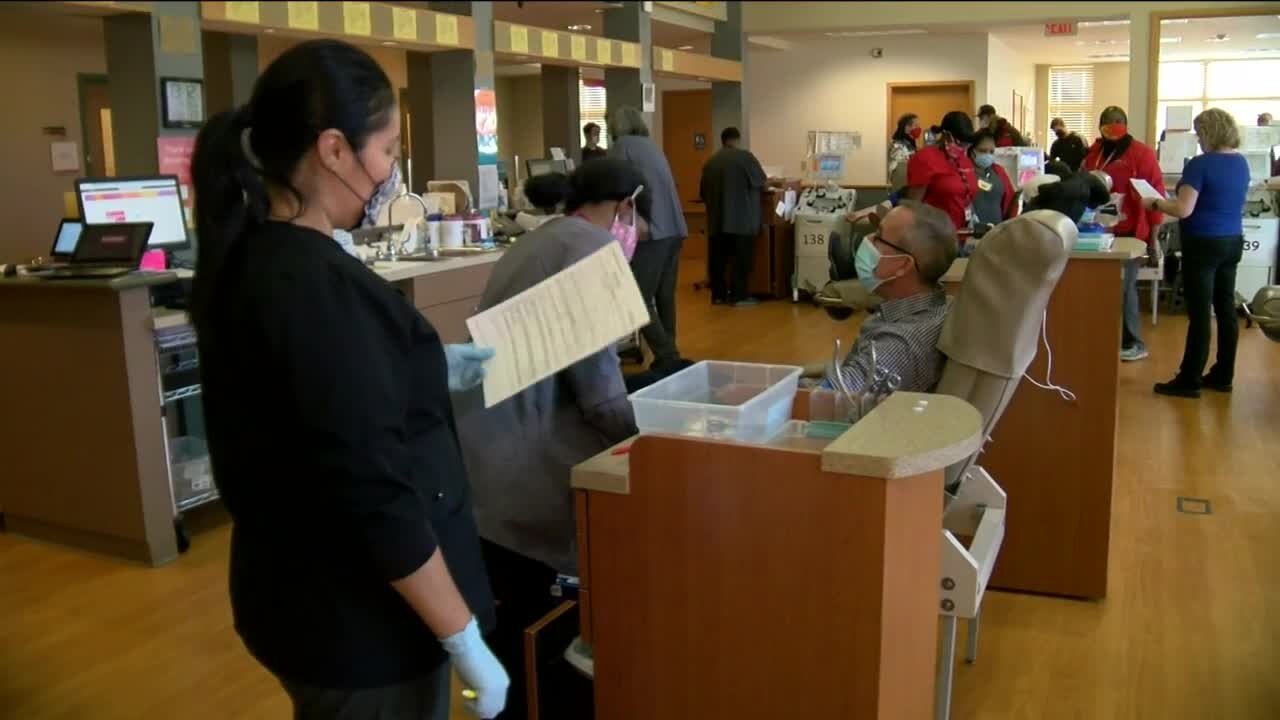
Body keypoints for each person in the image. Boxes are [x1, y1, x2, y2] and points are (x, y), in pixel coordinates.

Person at [189, 40, 507, 720]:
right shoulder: (311, 285)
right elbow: (372, 485)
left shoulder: (258, 257)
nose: (390, 173)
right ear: (335, 150)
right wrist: (463, 637)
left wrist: (418, 368)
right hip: (360, 623)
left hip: (295, 596)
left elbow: (306, 404)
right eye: (388, 152)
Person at [454, 158, 646, 720]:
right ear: (625, 205)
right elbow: (600, 387)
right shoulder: (591, 251)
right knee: (532, 613)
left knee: (507, 600)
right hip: (522, 450)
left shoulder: (543, 238)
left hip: (488, 439)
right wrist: (647, 445)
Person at [1143, 109, 1250, 398]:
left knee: (1200, 313)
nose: (1198, 139)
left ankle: (1189, 379)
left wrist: (1154, 203)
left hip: (1203, 244)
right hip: (1232, 240)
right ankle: (1223, 374)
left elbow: (1182, 209)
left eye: (1200, 133)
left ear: (1210, 133)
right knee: (1226, 309)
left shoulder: (1200, 165)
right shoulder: (1241, 163)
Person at [805, 200, 957, 393]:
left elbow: (829, 400)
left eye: (878, 237)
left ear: (903, 265)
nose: (867, 240)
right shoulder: (937, 304)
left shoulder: (899, 344)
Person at [609, 106, 691, 374]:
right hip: (674, 227)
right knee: (664, 296)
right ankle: (670, 358)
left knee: (637, 297)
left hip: (652, 233)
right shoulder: (650, 146)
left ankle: (668, 355)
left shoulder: (623, 146)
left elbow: (616, 185)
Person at [1082, 105, 1165, 363]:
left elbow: (1155, 196)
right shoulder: (1094, 153)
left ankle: (1134, 342)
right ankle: (1100, 338)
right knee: (1097, 286)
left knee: (1125, 286)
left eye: (1118, 121)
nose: (1113, 125)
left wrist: (1154, 240)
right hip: (1096, 229)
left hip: (1130, 231)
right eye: (1108, 121)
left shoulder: (1142, 154)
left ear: (1126, 124)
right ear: (1100, 126)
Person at [701, 126, 768, 306]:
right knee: (741, 260)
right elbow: (762, 183)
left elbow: (703, 193)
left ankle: (718, 296)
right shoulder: (745, 158)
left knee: (718, 261)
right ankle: (740, 296)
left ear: (722, 140)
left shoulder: (710, 162)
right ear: (737, 140)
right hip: (742, 221)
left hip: (717, 222)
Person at [906, 111, 979, 232]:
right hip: (934, 235)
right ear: (946, 135)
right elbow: (913, 206)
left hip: (962, 232)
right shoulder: (925, 158)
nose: (964, 148)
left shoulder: (965, 160)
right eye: (960, 143)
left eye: (967, 144)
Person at [968, 128, 1018, 230]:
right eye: (983, 151)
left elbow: (1011, 200)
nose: (987, 155)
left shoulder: (998, 170)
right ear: (972, 151)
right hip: (971, 231)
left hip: (997, 231)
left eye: (991, 151)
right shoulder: (963, 171)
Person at [888, 113, 921, 192]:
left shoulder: (910, 143)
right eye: (916, 125)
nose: (918, 128)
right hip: (901, 186)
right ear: (907, 127)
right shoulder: (897, 145)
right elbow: (899, 167)